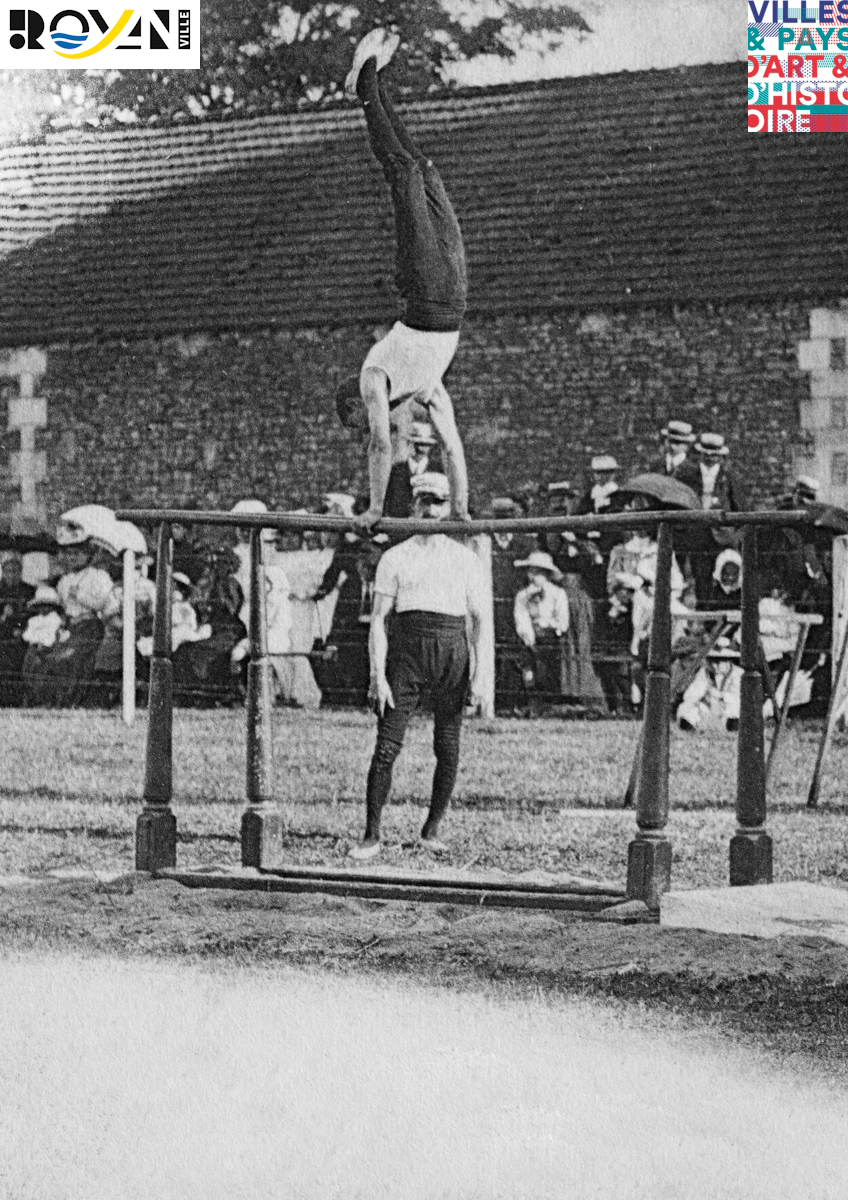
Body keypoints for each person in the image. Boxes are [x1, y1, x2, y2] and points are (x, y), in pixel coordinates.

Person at [335, 30, 470, 525]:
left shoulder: (373, 377)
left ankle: (366, 84)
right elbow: (452, 447)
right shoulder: (427, 390)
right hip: (454, 297)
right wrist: (460, 509)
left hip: (425, 293)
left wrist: (373, 509)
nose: (367, 424)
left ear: (355, 403)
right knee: (422, 169)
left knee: (402, 174)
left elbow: (379, 441)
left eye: (355, 419)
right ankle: (368, 82)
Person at [349, 471, 485, 859]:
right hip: (406, 652)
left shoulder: (464, 558)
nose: (429, 509)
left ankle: (431, 829)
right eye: (423, 501)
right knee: (387, 746)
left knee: (448, 746)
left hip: (452, 651)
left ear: (449, 508)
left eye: (437, 502)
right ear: (413, 505)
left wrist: (478, 674)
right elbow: (378, 619)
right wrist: (377, 675)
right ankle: (371, 834)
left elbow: (479, 620)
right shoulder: (396, 556)